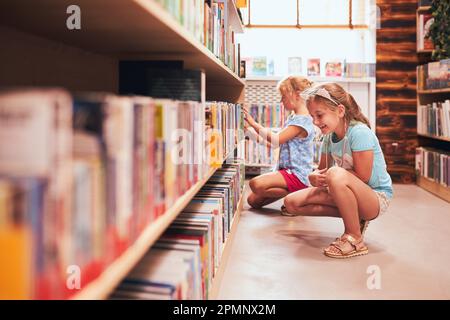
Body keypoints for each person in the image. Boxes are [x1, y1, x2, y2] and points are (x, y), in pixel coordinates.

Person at [282, 83, 393, 259]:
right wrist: (313, 177)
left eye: (320, 115)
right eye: (312, 117)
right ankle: (356, 219)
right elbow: (321, 171)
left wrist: (331, 176)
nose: (316, 122)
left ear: (340, 111)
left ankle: (354, 238)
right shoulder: (328, 137)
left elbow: (363, 176)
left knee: (335, 173)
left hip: (375, 197)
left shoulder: (360, 133)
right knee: (291, 203)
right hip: (344, 189)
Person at [244, 76, 315, 209]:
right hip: (286, 172)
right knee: (252, 201)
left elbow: (276, 139)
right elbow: (275, 144)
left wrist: (253, 123)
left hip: (296, 174)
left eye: (283, 96)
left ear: (296, 94)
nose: (281, 101)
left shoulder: (302, 121)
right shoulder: (293, 118)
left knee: (255, 184)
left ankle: (298, 193)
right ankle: (294, 194)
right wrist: (248, 132)